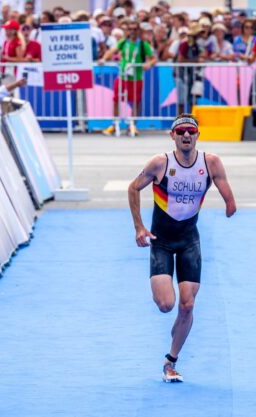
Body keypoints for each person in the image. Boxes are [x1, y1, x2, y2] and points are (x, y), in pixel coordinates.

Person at [128, 113, 236, 383]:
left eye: (191, 131)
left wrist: (230, 205)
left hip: (189, 240)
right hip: (161, 241)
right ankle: (176, 330)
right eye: (181, 131)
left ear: (198, 135)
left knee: (187, 305)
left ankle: (170, 361)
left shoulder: (210, 163)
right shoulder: (159, 163)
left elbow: (228, 196)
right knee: (167, 305)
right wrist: (139, 227)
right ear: (173, 136)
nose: (186, 135)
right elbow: (133, 188)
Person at [100, 19, 157, 137]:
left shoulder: (143, 44)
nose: (132, 31)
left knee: (136, 102)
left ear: (138, 31)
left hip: (136, 78)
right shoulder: (123, 42)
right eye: (130, 29)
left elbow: (153, 58)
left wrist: (148, 64)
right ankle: (115, 124)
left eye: (135, 29)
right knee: (116, 100)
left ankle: (133, 125)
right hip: (122, 76)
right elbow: (112, 51)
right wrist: (104, 59)